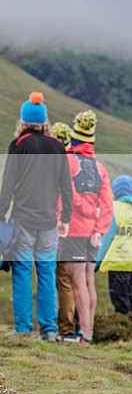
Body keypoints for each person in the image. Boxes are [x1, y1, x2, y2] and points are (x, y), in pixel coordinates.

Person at [0, 93, 72, 341]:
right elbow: (66, 186)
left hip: (23, 220)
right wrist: (65, 219)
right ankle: (49, 330)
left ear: (24, 121)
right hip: (49, 222)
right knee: (46, 272)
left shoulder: (19, 145)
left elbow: (8, 184)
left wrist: (1, 216)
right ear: (44, 121)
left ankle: (22, 328)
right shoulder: (57, 146)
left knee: (21, 271)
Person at [58, 110, 113, 344]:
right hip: (93, 233)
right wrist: (100, 229)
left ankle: (84, 334)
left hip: (74, 229)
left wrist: (64, 219)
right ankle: (88, 332)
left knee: (77, 280)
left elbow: (64, 195)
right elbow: (107, 203)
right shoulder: (100, 168)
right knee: (89, 281)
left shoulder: (68, 162)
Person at [95, 175, 132, 315]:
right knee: (128, 298)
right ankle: (130, 328)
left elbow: (107, 238)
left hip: (119, 261)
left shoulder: (115, 209)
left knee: (120, 301)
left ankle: (124, 330)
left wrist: (96, 263)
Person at [50, 122, 79, 337]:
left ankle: (51, 326)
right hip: (77, 229)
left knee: (50, 276)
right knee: (68, 280)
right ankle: (69, 328)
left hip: (55, 224)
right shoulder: (78, 162)